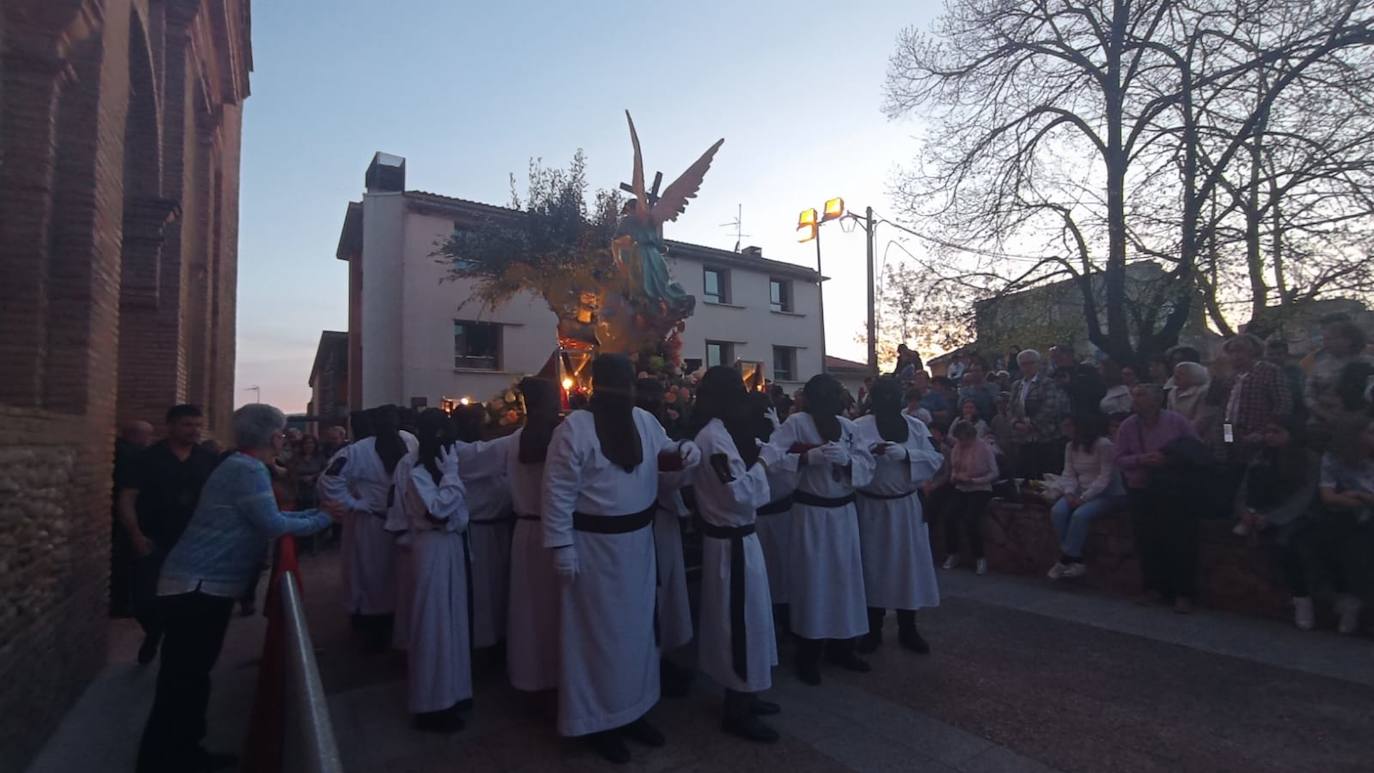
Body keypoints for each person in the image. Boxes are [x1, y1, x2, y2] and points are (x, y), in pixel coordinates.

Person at [135, 404, 338, 773]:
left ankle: (184, 751)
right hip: (197, 587)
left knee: (191, 677)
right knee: (184, 680)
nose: (285, 439)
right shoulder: (247, 470)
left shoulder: (242, 467)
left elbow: (271, 518)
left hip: (201, 585)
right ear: (273, 436)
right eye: (282, 433)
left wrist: (318, 514)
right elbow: (272, 524)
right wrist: (325, 517)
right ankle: (162, 760)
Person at [541, 355, 701, 763]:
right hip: (592, 550)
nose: (623, 389)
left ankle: (634, 711)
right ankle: (598, 722)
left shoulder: (645, 423)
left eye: (626, 381)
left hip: (638, 547)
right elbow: (557, 493)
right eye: (616, 382)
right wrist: (561, 547)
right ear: (598, 385)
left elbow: (665, 453)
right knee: (597, 637)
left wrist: (684, 451)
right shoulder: (574, 429)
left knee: (637, 634)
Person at [691, 367, 784, 743]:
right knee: (738, 623)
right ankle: (737, 708)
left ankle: (749, 691)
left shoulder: (723, 432)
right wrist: (766, 462)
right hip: (730, 544)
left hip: (741, 541)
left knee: (752, 618)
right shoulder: (712, 440)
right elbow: (737, 493)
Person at [765, 374, 876, 686]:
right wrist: (804, 458)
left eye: (833, 393)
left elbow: (867, 465)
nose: (829, 399)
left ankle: (843, 646)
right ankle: (808, 652)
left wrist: (850, 461)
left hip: (843, 514)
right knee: (813, 581)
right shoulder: (797, 423)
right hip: (810, 514)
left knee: (845, 580)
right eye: (822, 394)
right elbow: (772, 458)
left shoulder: (849, 427)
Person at [116, 405, 219, 664]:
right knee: (143, 601)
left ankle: (174, 648)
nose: (194, 430)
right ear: (170, 426)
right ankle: (153, 632)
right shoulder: (146, 458)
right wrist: (136, 535)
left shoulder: (207, 459)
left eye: (197, 425)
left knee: (187, 600)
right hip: (153, 538)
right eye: (187, 425)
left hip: (195, 541)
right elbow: (127, 498)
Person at [854, 377, 945, 654]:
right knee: (873, 566)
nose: (889, 402)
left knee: (908, 567)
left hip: (905, 507)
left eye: (893, 396)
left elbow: (935, 459)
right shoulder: (858, 428)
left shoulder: (916, 427)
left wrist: (905, 454)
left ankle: (908, 627)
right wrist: (870, 454)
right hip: (870, 507)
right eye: (883, 396)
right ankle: (873, 629)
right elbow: (849, 459)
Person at [394, 408, 472, 732]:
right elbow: (438, 512)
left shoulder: (437, 469)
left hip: (449, 546)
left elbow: (459, 514)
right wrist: (452, 477)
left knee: (452, 622)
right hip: (430, 548)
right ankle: (430, 704)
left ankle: (454, 692)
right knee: (433, 624)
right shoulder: (416, 473)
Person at [320, 405, 415, 651]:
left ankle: (387, 621)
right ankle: (373, 621)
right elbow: (330, 479)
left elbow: (328, 480)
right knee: (372, 573)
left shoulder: (407, 441)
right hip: (374, 521)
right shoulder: (359, 451)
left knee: (387, 573)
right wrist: (354, 504)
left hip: (393, 520)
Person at [1115, 384, 1204, 614]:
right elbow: (1120, 458)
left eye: (1141, 394)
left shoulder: (1177, 421)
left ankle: (1183, 593)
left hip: (1174, 491)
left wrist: (1168, 460)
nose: (1135, 399)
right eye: (1135, 395)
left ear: (1156, 400)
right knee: (1147, 540)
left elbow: (1195, 449)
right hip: (1142, 489)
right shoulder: (1128, 426)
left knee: (1180, 542)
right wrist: (1142, 460)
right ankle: (1154, 588)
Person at [635, 378, 695, 695]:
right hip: (641, 528)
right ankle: (649, 659)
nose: (654, 404)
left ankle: (665, 652)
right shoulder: (628, 426)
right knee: (650, 594)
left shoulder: (653, 428)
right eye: (647, 398)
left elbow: (673, 466)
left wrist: (686, 456)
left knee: (669, 590)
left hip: (664, 523)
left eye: (657, 398)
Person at [1230, 417, 1319, 629]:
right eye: (1267, 431)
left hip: (1297, 515)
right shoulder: (1260, 457)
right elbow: (1245, 487)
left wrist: (1273, 518)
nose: (1269, 436)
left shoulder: (1308, 459)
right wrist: (1243, 511)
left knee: (1285, 544)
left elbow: (1304, 496)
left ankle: (1302, 599)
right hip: (1258, 511)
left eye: (1276, 431)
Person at [505, 378, 563, 693]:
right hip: (548, 531)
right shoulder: (556, 438)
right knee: (542, 611)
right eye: (555, 400)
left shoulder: (514, 439)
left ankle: (535, 676)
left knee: (532, 609)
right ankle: (543, 679)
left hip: (527, 530)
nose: (559, 405)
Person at [451, 404, 516, 658]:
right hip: (478, 535)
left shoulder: (480, 450)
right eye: (478, 422)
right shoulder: (461, 452)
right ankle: (481, 646)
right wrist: (525, 428)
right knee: (482, 595)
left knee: (499, 591)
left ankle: (499, 639)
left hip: (499, 530)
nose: (483, 427)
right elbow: (495, 451)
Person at [1312, 417, 1374, 634]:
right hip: (1352, 516)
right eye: (1368, 432)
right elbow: (1328, 497)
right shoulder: (1334, 458)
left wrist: (1358, 495)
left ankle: (1355, 602)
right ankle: (1349, 601)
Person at [1047, 414, 1125, 579]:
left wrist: (1084, 498)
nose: (1065, 429)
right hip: (1078, 490)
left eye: (1069, 425)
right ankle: (1075, 558)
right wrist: (1069, 493)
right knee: (1058, 512)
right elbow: (1068, 472)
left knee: (1080, 515)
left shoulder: (1104, 445)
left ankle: (1064, 558)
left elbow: (1105, 477)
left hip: (1106, 494)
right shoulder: (1070, 446)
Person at [749, 392, 796, 639]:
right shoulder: (745, 438)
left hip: (781, 513)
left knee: (783, 572)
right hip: (757, 517)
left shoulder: (781, 436)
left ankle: (786, 620)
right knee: (767, 574)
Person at [941, 421, 999, 575]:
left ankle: (979, 557)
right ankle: (952, 553)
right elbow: (954, 468)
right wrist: (955, 477)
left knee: (971, 519)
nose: (961, 442)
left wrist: (974, 481)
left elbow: (994, 473)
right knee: (949, 516)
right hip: (961, 487)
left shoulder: (984, 448)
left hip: (980, 488)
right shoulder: (957, 448)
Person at [1222, 334, 1293, 459]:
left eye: (1240, 350)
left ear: (1254, 351)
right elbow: (1222, 409)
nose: (1235, 356)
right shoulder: (1229, 376)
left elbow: (1282, 404)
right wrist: (1226, 438)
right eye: (1231, 352)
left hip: (1259, 436)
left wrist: (1264, 432)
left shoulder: (1270, 371)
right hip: (1231, 434)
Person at [112, 420, 154, 618]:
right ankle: (122, 603)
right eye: (147, 435)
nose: (149, 440)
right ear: (136, 435)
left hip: (116, 514)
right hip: (125, 515)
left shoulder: (117, 449)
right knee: (126, 562)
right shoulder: (134, 455)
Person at [1306, 320, 1372, 446]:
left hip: (1362, 430)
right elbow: (1309, 395)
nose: (1326, 343)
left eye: (1330, 339)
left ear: (1348, 340)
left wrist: (1359, 416)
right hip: (1324, 428)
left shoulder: (1369, 364)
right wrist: (1324, 414)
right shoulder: (1320, 366)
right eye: (1324, 339)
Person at [1009, 349, 1071, 479]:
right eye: (1023, 364)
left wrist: (1032, 424)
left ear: (1038, 364)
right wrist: (1015, 423)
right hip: (1023, 438)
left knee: (1046, 473)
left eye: (1030, 363)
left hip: (1045, 436)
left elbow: (1050, 407)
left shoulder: (1048, 383)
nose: (1027, 367)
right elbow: (1011, 408)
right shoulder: (1016, 385)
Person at [289, 434, 326, 511]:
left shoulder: (320, 457)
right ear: (302, 445)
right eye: (306, 443)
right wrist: (301, 478)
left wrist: (313, 477)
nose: (309, 445)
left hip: (316, 491)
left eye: (311, 443)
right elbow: (290, 472)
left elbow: (325, 471)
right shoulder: (296, 457)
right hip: (299, 491)